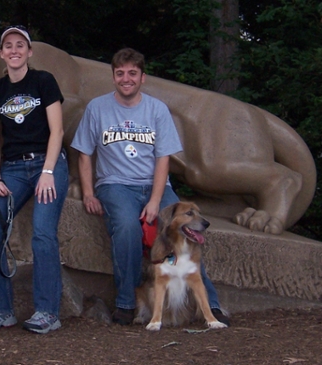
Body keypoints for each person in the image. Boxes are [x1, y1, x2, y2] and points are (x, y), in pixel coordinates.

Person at [71, 47, 230, 326]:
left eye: (132, 73)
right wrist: (88, 193)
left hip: (153, 184)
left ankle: (212, 305)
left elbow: (163, 158)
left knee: (184, 226)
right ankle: (126, 303)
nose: (126, 79)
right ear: (113, 77)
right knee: (127, 227)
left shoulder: (157, 109)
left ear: (143, 77)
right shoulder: (97, 108)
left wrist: (156, 201)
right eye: (120, 73)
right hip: (115, 185)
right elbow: (84, 153)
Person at [0, 25, 69, 334]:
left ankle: (47, 312)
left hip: (48, 162)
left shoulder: (43, 81)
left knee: (42, 232)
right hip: (12, 169)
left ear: (29, 52)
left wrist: (47, 173)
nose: (14, 50)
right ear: (1, 53)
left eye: (20, 45)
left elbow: (58, 131)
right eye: (8, 46)